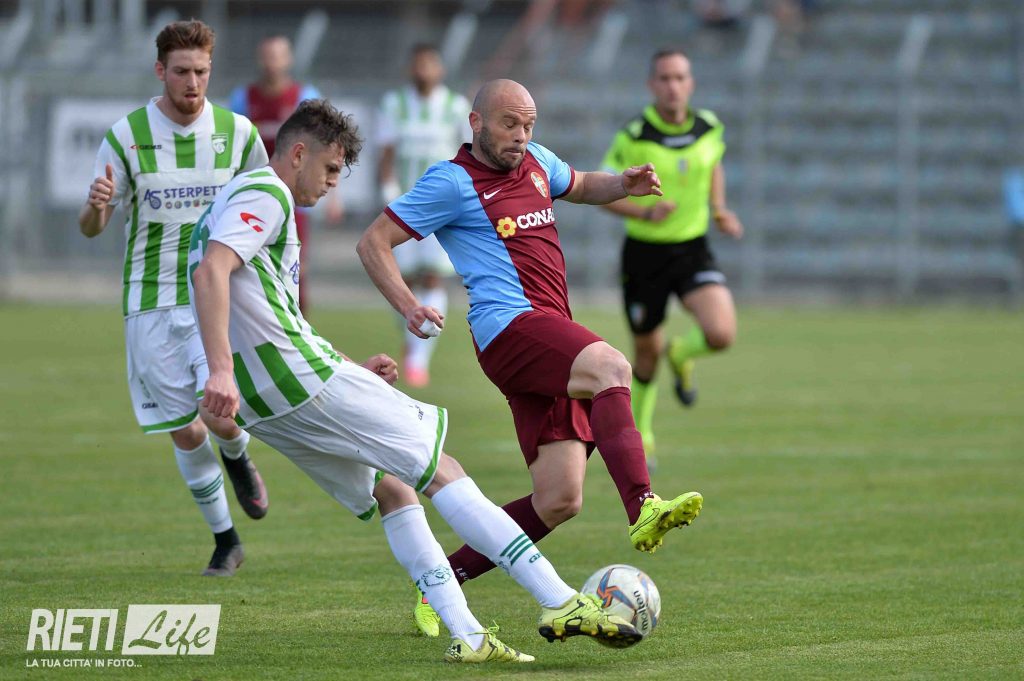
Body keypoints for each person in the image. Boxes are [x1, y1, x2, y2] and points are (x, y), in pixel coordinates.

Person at [188, 98, 642, 662]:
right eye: (330, 169)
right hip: (293, 379)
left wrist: (348, 368)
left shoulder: (232, 199)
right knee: (442, 470)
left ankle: (470, 637)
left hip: (265, 401)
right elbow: (213, 271)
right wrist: (219, 369)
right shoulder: (268, 193)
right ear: (297, 153)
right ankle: (560, 600)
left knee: (394, 489)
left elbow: (272, 316)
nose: (333, 184)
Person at [357, 79, 704, 636]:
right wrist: (407, 305)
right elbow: (373, 241)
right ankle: (643, 505)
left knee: (559, 498)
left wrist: (623, 184)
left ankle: (441, 581)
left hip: (547, 334)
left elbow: (582, 184)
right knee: (612, 367)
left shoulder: (537, 160)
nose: (521, 135)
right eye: (509, 124)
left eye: (528, 124)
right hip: (509, 329)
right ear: (476, 123)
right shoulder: (452, 181)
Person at [78, 20, 270, 577]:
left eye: (201, 72)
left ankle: (237, 454)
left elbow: (266, 205)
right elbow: (91, 227)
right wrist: (97, 205)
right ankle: (226, 540)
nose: (193, 83)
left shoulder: (238, 134)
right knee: (185, 429)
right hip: (150, 299)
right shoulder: (126, 136)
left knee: (220, 414)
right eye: (182, 71)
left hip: (215, 295)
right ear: (160, 70)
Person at [600, 49, 743, 455]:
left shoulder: (709, 126)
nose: (673, 86)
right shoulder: (634, 136)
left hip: (692, 248)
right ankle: (643, 435)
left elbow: (714, 164)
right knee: (646, 355)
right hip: (644, 255)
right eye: (664, 78)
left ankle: (681, 353)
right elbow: (603, 191)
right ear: (652, 85)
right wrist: (645, 214)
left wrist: (719, 208)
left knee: (721, 333)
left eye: (680, 77)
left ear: (690, 83)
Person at [377, 44, 471, 387]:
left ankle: (418, 358)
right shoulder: (394, 104)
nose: (423, 71)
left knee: (433, 277)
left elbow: (467, 154)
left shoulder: (455, 106)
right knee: (403, 280)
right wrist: (388, 192)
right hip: (404, 206)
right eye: (418, 65)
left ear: (440, 68)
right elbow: (386, 155)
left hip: (441, 209)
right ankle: (411, 335)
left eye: (430, 64)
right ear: (410, 69)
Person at [230, 35, 337, 314]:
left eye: (277, 56)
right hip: (254, 199)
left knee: (297, 270)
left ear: (288, 60)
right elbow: (233, 150)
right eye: (267, 56)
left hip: (294, 200)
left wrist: (334, 197)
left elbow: (325, 148)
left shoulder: (304, 96)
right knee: (251, 269)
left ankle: (300, 329)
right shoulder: (243, 99)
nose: (272, 63)